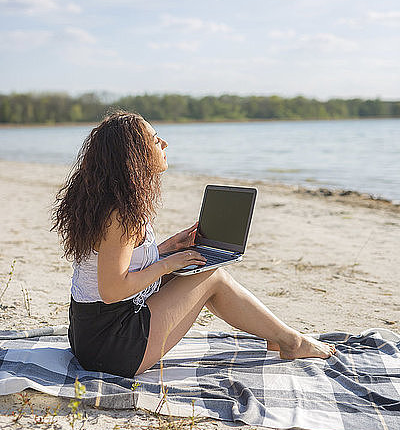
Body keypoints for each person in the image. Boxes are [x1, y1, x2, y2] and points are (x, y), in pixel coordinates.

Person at [52, 110, 335, 379]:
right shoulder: (121, 215)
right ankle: (291, 341)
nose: (164, 143)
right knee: (212, 276)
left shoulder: (110, 203)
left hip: (90, 336)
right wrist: (166, 265)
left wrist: (166, 249)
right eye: (154, 139)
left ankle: (281, 338)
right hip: (113, 348)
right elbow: (113, 290)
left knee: (194, 269)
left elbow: (118, 261)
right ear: (134, 155)